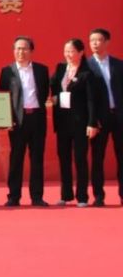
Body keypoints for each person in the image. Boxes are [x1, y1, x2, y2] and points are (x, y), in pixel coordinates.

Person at [0, 37, 50, 207]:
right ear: (14, 51)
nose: (21, 52)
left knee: (37, 159)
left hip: (37, 118)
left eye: (24, 48)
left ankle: (37, 196)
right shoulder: (7, 71)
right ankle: (13, 196)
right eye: (18, 49)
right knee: (16, 158)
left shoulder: (42, 70)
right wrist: (7, 119)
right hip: (17, 121)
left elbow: (44, 93)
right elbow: (4, 98)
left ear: (31, 51)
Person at [51, 38, 98, 207]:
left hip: (80, 123)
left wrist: (92, 123)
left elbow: (91, 101)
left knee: (80, 159)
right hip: (62, 122)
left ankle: (82, 196)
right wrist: (53, 97)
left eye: (71, 51)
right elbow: (52, 86)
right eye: (66, 51)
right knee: (64, 159)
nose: (68, 54)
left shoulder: (87, 73)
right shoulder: (60, 68)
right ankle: (65, 195)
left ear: (80, 52)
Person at [87, 28, 123, 207]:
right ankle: (99, 196)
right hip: (99, 119)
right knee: (97, 158)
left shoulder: (119, 65)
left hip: (119, 116)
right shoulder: (86, 66)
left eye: (98, 40)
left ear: (107, 42)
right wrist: (91, 120)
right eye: (92, 40)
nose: (94, 43)